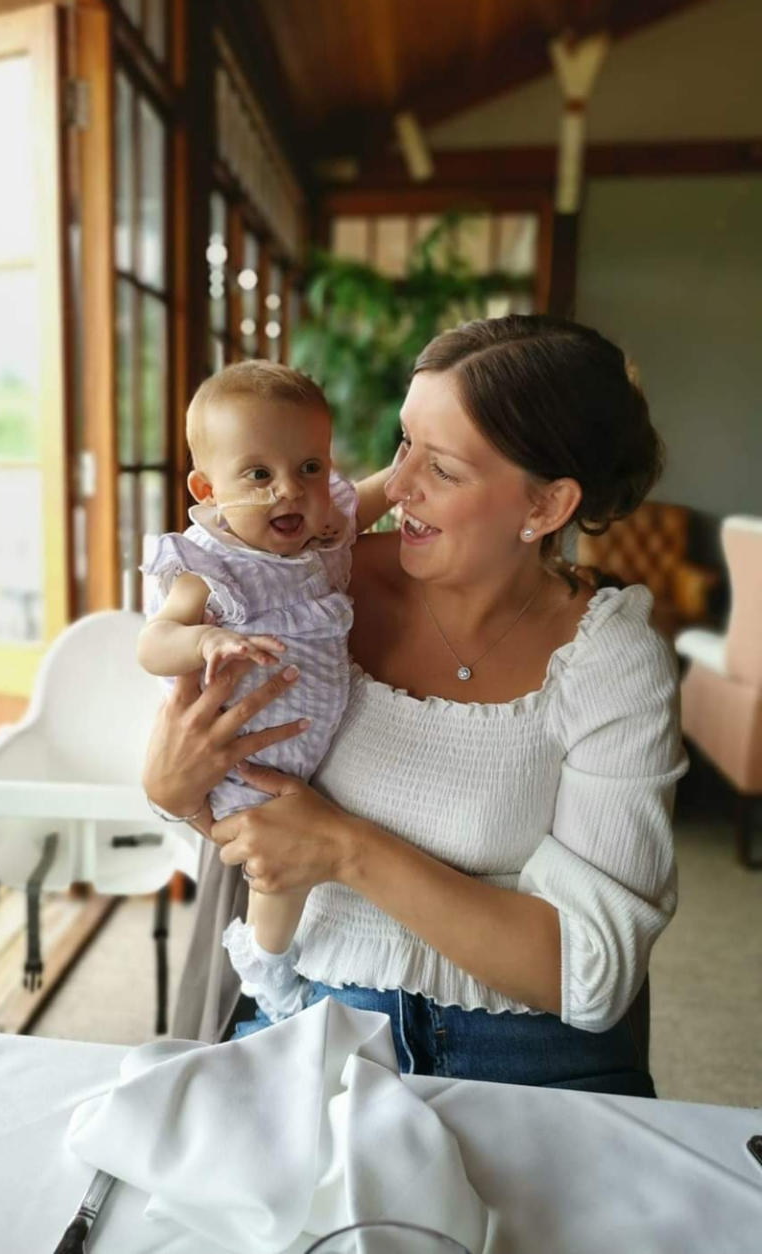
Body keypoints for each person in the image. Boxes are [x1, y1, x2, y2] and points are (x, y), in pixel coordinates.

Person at [144, 315, 687, 1096]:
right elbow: (220, 775)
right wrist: (170, 792)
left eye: (441, 468)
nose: (394, 488)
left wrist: (347, 850)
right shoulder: (311, 583)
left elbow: (592, 972)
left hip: (530, 1059)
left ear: (545, 507)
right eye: (403, 445)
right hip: (314, 1024)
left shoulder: (610, 660)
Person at [138, 361, 391, 1025]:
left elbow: (358, 507)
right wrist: (205, 644)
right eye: (259, 474)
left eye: (310, 467)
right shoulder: (214, 562)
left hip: (304, 749)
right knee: (280, 874)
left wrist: (398, 480)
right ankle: (270, 979)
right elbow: (153, 642)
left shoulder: (319, 539)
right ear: (208, 489)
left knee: (297, 854)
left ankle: (277, 962)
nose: (290, 490)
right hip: (249, 759)